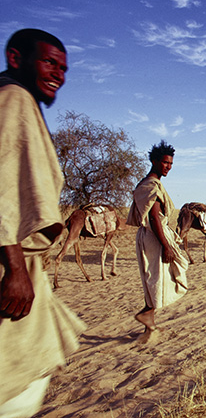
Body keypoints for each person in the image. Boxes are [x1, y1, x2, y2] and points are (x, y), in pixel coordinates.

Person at [0, 29, 86, 417]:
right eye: (49, 62)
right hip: (12, 267)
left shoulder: (21, 102)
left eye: (64, 68)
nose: (58, 74)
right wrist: (15, 268)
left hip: (25, 262)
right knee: (16, 384)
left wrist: (54, 225)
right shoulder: (13, 99)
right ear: (16, 58)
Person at [127, 140, 188, 342]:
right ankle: (147, 313)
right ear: (154, 161)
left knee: (156, 277)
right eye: (164, 163)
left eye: (170, 163)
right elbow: (154, 217)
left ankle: (149, 322)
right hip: (155, 236)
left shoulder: (152, 184)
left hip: (155, 234)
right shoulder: (150, 186)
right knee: (157, 277)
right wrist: (166, 245)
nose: (168, 167)